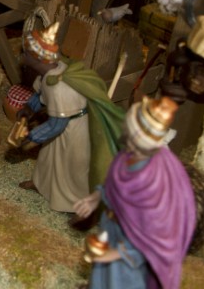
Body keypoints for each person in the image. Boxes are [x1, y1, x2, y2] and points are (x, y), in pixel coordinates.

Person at [73, 96, 196, 289]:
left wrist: (116, 254)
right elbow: (114, 187)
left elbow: (155, 238)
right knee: (102, 275)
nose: (124, 129)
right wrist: (96, 198)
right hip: (112, 229)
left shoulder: (154, 182)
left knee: (120, 281)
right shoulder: (127, 156)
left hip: (130, 252)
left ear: (139, 136)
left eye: (128, 128)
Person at [16, 19, 125, 222]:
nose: (24, 58)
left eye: (27, 54)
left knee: (73, 169)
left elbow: (57, 124)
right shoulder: (48, 74)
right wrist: (29, 109)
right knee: (48, 159)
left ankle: (79, 205)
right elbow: (41, 94)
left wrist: (31, 137)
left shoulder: (60, 87)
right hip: (59, 124)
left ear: (38, 58)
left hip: (74, 129)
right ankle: (41, 185)